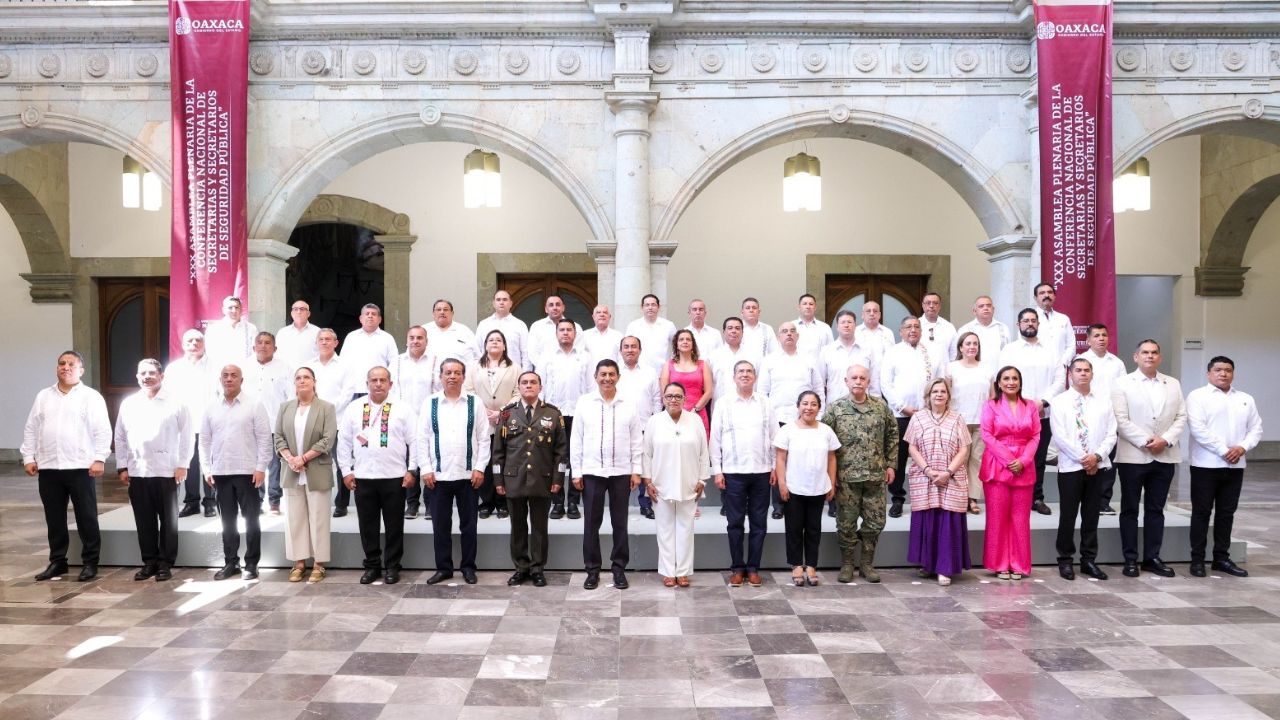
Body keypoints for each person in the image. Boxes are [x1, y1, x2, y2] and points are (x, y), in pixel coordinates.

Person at [23, 351, 111, 582]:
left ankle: (90, 562)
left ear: (81, 370)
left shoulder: (91, 397)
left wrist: (100, 457)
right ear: (57, 368)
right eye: (62, 363)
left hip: (81, 467)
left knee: (86, 517)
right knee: (54, 518)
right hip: (49, 467)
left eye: (72, 364)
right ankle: (58, 562)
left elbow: (102, 430)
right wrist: (28, 457)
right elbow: (32, 428)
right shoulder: (44, 396)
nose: (66, 367)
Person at [114, 359, 194, 583]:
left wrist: (182, 464)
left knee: (169, 521)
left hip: (167, 470)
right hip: (138, 470)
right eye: (142, 373)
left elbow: (187, 436)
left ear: (161, 376)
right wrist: (122, 465)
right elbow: (119, 436)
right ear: (137, 377)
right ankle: (149, 561)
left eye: (151, 373)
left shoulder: (176, 402)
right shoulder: (129, 403)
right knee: (144, 519)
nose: (147, 376)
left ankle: (165, 563)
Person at [1112, 339, 1187, 578]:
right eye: (1145, 352)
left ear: (1160, 357)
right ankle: (1130, 559)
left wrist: (1164, 440)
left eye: (1154, 352)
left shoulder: (1172, 384)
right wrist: (1147, 441)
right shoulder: (1122, 383)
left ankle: (1152, 557)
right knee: (1130, 509)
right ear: (1135, 357)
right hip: (1134, 455)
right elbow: (1120, 420)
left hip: (1164, 455)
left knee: (1156, 509)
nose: (1150, 356)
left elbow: (1181, 417)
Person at [337, 367, 417, 585]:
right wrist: (346, 471)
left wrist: (411, 469)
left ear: (391, 384)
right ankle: (372, 565)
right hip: (363, 477)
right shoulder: (354, 408)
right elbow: (343, 442)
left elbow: (415, 441)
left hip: (394, 477)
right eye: (374, 380)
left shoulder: (403, 408)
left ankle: (392, 566)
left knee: (394, 525)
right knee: (367, 525)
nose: (378, 384)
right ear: (367, 383)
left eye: (383, 380)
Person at [1186, 355, 1263, 578]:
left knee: (1226, 513)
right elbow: (1198, 429)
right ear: (1209, 373)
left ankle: (1221, 558)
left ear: (1233, 373)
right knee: (1201, 512)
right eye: (1218, 370)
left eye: (1228, 370)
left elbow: (1256, 428)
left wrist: (1241, 448)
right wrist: (1223, 450)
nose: (1223, 373)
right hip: (1205, 464)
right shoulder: (1197, 396)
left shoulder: (1246, 399)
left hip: (1235, 465)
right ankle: (1197, 559)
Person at [822, 365, 898, 584]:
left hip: (875, 476)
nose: (858, 381)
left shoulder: (881, 407)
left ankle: (866, 563)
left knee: (875, 522)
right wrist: (830, 474)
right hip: (846, 478)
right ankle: (847, 564)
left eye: (862, 378)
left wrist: (891, 464)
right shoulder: (835, 408)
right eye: (853, 377)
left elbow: (893, 434)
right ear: (846, 381)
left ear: (868, 381)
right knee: (846, 523)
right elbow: (825, 441)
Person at [572, 359, 643, 590]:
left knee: (620, 522)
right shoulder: (584, 403)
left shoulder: (629, 404)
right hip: (592, 471)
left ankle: (619, 569)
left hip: (621, 471)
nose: (607, 378)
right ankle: (592, 570)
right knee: (591, 523)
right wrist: (577, 471)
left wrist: (636, 470)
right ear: (595, 377)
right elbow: (577, 439)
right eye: (603, 374)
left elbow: (636, 440)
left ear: (618, 377)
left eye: (612, 374)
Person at [418, 359, 491, 585]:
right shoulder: (430, 403)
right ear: (440, 376)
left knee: (469, 525)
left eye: (457, 373)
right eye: (448, 372)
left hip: (468, 476)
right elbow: (421, 439)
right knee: (440, 525)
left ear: (463, 376)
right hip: (438, 477)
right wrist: (426, 469)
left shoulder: (474, 402)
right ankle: (444, 568)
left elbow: (483, 438)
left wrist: (480, 468)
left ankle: (468, 567)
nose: (452, 376)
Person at [492, 371, 568, 587]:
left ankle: (537, 568)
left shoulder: (553, 414)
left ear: (540, 387)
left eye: (533, 382)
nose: (529, 386)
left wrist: (558, 479)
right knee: (517, 525)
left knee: (539, 527)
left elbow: (561, 451)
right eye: (524, 382)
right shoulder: (507, 415)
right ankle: (520, 567)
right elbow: (498, 450)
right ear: (519, 387)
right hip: (513, 479)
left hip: (542, 479)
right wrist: (498, 480)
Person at [201, 364, 273, 581]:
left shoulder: (254, 405)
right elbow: (204, 441)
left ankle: (251, 563)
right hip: (221, 472)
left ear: (242, 380)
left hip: (247, 472)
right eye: (225, 375)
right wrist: (207, 468)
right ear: (220, 380)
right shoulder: (211, 408)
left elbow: (264, 439)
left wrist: (261, 467)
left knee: (251, 520)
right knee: (227, 522)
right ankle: (231, 562)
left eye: (234, 376)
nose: (229, 379)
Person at [1049, 357, 1117, 581]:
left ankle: (1088, 560)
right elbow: (1060, 436)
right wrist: (1083, 458)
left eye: (1087, 370)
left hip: (1097, 466)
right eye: (1078, 370)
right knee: (1068, 516)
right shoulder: (1060, 402)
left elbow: (1111, 433)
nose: (1083, 374)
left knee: (1091, 516)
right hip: (1071, 467)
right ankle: (1065, 560)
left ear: (1092, 374)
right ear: (1070, 374)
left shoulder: (1103, 401)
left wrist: (1096, 457)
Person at [711, 360, 777, 588]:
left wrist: (775, 467)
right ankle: (737, 567)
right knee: (735, 523)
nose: (745, 375)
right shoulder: (723, 403)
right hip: (733, 473)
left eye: (749, 371)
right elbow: (715, 439)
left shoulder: (766, 403)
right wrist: (717, 470)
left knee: (759, 523)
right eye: (741, 371)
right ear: (734, 376)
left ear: (755, 376)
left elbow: (774, 437)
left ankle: (753, 568)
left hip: (761, 472)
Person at [904, 378, 973, 586]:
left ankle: (944, 568)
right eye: (935, 391)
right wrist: (928, 470)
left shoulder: (957, 418)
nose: (939, 395)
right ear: (928, 395)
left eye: (943, 391)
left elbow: (964, 449)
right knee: (929, 517)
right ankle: (928, 563)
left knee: (947, 520)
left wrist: (948, 472)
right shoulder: (917, 418)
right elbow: (912, 447)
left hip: (951, 477)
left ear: (948, 396)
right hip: (925, 476)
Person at [998, 308, 1065, 516]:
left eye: (1033, 320)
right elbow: (1004, 379)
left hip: (1042, 412)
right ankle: (1015, 498)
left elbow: (1060, 380)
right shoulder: (1009, 350)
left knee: (1038, 458)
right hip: (1015, 414)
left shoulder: (1052, 350)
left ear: (1038, 324)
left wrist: (1042, 401)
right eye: (1025, 321)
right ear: (1018, 325)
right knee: (1015, 456)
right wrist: (1022, 403)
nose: (1030, 324)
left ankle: (1036, 498)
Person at [643, 382, 711, 587]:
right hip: (660, 485)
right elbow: (646, 454)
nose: (673, 399)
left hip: (689, 483)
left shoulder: (695, 421)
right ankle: (667, 571)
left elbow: (703, 452)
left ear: (685, 399)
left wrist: (702, 480)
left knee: (685, 529)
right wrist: (648, 481)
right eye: (669, 396)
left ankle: (682, 571)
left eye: (678, 396)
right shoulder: (654, 421)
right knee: (664, 530)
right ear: (663, 399)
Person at [274, 367, 338, 583]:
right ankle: (299, 562)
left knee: (318, 518)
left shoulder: (326, 408)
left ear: (314, 382)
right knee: (295, 518)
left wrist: (303, 458)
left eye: (306, 377)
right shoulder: (285, 408)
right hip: (291, 471)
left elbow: (328, 439)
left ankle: (319, 564)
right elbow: (279, 437)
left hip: (316, 470)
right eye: (298, 378)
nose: (302, 381)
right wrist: (291, 458)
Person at [980, 366, 1040, 580]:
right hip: (997, 465)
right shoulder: (990, 405)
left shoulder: (1031, 406)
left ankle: (1019, 564)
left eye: (1015, 378)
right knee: (997, 517)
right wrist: (1008, 459)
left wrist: (1023, 460)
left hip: (1024, 466)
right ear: (999, 383)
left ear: (1020, 383)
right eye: (1006, 378)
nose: (1011, 382)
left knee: (1020, 519)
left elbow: (1036, 436)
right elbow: (986, 435)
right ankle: (1000, 564)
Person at [775, 390, 840, 587]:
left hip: (818, 488)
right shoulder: (787, 430)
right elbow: (780, 458)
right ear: (798, 406)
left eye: (813, 404)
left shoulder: (826, 430)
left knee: (814, 529)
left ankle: (811, 566)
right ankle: (796, 565)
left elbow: (831, 458)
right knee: (793, 528)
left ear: (819, 408)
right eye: (805, 403)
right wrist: (782, 483)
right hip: (794, 488)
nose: (808, 408)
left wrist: (832, 482)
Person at [760, 321, 823, 519]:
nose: (788, 334)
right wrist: (766, 418)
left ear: (798, 336)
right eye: (784, 331)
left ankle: (802, 499)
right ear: (779, 337)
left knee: (802, 459)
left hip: (804, 419)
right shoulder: (769, 361)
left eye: (792, 331)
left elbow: (818, 388)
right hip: (777, 419)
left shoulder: (809, 359)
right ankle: (778, 504)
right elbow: (762, 392)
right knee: (778, 460)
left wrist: (818, 416)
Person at [882, 316, 943, 518]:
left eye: (917, 326)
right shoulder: (893, 353)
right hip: (901, 414)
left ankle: (927, 497)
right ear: (900, 331)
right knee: (898, 458)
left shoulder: (931, 352)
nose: (913, 330)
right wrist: (903, 407)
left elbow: (940, 381)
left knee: (928, 456)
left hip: (927, 414)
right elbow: (886, 384)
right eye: (908, 327)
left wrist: (931, 406)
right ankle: (897, 499)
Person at [541, 318, 593, 519]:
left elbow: (590, 388)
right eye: (561, 330)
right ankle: (557, 502)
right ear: (556, 334)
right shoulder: (547, 357)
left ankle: (573, 502)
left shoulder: (586, 358)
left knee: (576, 459)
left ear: (575, 333)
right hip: (553, 415)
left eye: (569, 330)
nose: (565, 333)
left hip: (578, 414)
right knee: (554, 459)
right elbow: (541, 387)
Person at [467, 329, 521, 520]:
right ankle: (486, 502)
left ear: (505, 345)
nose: (495, 342)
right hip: (482, 420)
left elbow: (518, 392)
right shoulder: (474, 367)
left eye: (499, 340)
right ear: (485, 345)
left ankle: (503, 502)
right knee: (485, 460)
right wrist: (484, 412)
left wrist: (501, 412)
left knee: (504, 461)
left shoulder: (514, 367)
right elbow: (469, 390)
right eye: (491, 340)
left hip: (506, 419)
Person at [1076, 323, 1128, 515]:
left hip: (1110, 415)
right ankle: (1085, 499)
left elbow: (1124, 390)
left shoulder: (1117, 363)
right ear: (1088, 340)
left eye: (1104, 335)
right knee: (1087, 456)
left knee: (1108, 458)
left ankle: (1103, 501)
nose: (1101, 338)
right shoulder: (1081, 360)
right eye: (1096, 335)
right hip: (1085, 415)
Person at [391, 325, 441, 519]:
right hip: (403, 419)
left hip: (428, 418)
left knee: (429, 461)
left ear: (426, 341)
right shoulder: (396, 362)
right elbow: (392, 390)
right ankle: (412, 505)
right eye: (412, 337)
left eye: (420, 338)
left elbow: (439, 389)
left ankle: (430, 505)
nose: (415, 341)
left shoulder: (436, 361)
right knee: (408, 463)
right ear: (406, 340)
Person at [167, 328, 218, 518]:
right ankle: (192, 502)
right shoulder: (174, 369)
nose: (194, 344)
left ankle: (211, 501)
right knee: (188, 463)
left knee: (209, 463)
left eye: (198, 340)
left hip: (209, 422)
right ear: (183, 345)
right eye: (189, 341)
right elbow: (169, 397)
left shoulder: (215, 366)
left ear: (204, 343)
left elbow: (222, 394)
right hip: (184, 424)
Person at [243, 331, 291, 514]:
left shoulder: (285, 368)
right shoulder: (243, 367)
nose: (263, 346)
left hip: (274, 422)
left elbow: (291, 397)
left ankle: (274, 501)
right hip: (248, 424)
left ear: (275, 348)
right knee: (253, 464)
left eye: (268, 343)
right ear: (254, 347)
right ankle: (256, 500)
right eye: (260, 342)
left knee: (275, 465)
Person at [946, 332, 993, 515]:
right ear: (960, 347)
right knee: (960, 461)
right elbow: (946, 395)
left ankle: (972, 499)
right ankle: (959, 496)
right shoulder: (951, 368)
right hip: (959, 421)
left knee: (977, 461)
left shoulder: (987, 368)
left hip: (981, 422)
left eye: (975, 343)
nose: (972, 346)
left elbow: (992, 397)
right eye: (968, 343)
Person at [308, 329, 354, 518]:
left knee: (342, 462)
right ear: (316, 343)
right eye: (321, 339)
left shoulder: (346, 364)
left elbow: (348, 392)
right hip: (313, 421)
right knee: (313, 462)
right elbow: (304, 389)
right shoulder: (308, 366)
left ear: (336, 343)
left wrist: (326, 410)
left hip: (339, 421)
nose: (325, 342)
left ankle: (341, 504)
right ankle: (315, 502)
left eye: (329, 339)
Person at [617, 335, 661, 519]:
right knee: (622, 467)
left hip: (645, 425)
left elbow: (657, 399)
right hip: (620, 426)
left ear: (640, 350)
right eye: (626, 346)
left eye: (633, 346)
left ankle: (646, 504)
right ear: (620, 351)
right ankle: (620, 505)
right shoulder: (615, 372)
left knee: (645, 467)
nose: (630, 350)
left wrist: (657, 422)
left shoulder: (650, 372)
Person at [660, 329, 714, 435]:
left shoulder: (703, 364)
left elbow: (709, 392)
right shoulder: (668, 364)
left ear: (692, 344)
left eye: (688, 339)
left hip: (698, 412)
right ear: (676, 344)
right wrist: (675, 409)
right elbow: (664, 391)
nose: (685, 342)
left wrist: (695, 409)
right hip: (673, 412)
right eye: (681, 339)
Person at [341, 303, 399, 399]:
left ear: (380, 319)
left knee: (379, 414)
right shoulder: (351, 337)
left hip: (379, 390)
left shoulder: (387, 338)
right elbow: (343, 363)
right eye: (367, 314)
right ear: (361, 318)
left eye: (374, 314)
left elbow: (394, 364)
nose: (370, 316)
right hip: (355, 390)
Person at [819, 310, 877, 406]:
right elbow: (820, 384)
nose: (846, 325)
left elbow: (874, 380)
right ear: (837, 326)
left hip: (863, 407)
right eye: (843, 322)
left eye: (850, 322)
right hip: (835, 407)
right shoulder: (826, 351)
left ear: (855, 326)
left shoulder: (867, 350)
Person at [475, 289, 530, 370]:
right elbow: (477, 351)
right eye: (498, 300)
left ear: (511, 303)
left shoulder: (520, 325)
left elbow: (526, 353)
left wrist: (524, 375)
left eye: (505, 300)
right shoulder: (483, 324)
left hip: (513, 373)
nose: (501, 302)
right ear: (493, 303)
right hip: (487, 372)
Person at [625, 293, 677, 374]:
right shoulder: (633, 326)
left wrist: (672, 364)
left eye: (653, 305)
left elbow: (677, 347)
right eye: (647, 305)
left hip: (663, 372)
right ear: (642, 307)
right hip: (639, 372)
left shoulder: (668, 325)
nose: (650, 308)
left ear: (658, 307)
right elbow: (626, 349)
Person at [956, 295, 1011, 372]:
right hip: (973, 374)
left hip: (998, 375)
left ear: (993, 309)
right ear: (974, 311)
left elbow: (1008, 354)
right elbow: (959, 355)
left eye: (988, 306)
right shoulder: (965, 329)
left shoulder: (1004, 328)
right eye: (981, 306)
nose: (985, 308)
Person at [528, 295, 582, 371]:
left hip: (569, 370)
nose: (555, 308)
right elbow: (532, 353)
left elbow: (579, 350)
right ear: (546, 309)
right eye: (551, 305)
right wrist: (545, 367)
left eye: (558, 304)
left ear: (563, 308)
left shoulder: (576, 327)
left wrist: (565, 367)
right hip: (543, 372)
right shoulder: (536, 326)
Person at [204, 295, 258, 369]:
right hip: (222, 372)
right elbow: (210, 353)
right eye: (230, 308)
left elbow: (255, 351)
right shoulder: (214, 329)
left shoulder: (251, 328)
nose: (234, 311)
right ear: (223, 310)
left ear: (241, 310)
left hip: (245, 372)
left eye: (236, 307)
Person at [1033, 282, 1076, 369]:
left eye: (1050, 292)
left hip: (1060, 369)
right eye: (1042, 293)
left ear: (1054, 296)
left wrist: (1063, 362)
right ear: (1035, 298)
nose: (1046, 295)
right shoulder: (1029, 318)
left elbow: (1071, 345)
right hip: (1036, 367)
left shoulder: (1063, 319)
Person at [425, 298, 478, 366]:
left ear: (452, 313)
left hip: (460, 375)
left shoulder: (464, 331)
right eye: (438, 310)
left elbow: (477, 357)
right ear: (433, 313)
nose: (442, 312)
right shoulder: (424, 331)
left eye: (445, 309)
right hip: (430, 375)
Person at [709, 317, 751, 401]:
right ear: (724, 332)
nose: (734, 331)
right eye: (730, 328)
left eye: (737, 328)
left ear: (742, 332)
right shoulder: (713, 356)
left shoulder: (752, 355)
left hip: (747, 405)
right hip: (720, 407)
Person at [276, 299, 321, 370]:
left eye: (302, 309)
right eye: (295, 309)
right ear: (291, 313)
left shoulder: (318, 332)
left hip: (310, 376)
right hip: (287, 376)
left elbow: (323, 355)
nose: (299, 312)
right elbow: (277, 355)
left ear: (308, 314)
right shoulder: (282, 333)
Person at [918, 292, 957, 365]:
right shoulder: (915, 325)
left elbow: (954, 353)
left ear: (940, 306)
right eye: (928, 303)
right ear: (923, 305)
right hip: (920, 371)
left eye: (935, 303)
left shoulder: (948, 327)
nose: (931, 306)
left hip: (943, 373)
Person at [855, 300, 895, 369]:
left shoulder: (888, 332)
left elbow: (892, 357)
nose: (872, 314)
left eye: (875, 311)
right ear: (862, 315)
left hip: (883, 376)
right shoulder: (855, 332)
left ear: (879, 315)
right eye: (868, 311)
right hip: (860, 377)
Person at [739, 297, 777, 368]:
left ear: (759, 312)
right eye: (748, 308)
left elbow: (774, 352)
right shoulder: (737, 329)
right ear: (742, 312)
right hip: (742, 371)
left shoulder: (768, 329)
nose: (751, 310)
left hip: (763, 370)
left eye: (754, 308)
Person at [794, 293, 833, 360]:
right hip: (797, 369)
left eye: (811, 304)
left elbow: (831, 351)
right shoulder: (791, 327)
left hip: (819, 369)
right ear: (798, 307)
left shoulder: (825, 328)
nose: (808, 306)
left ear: (815, 308)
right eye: (805, 304)